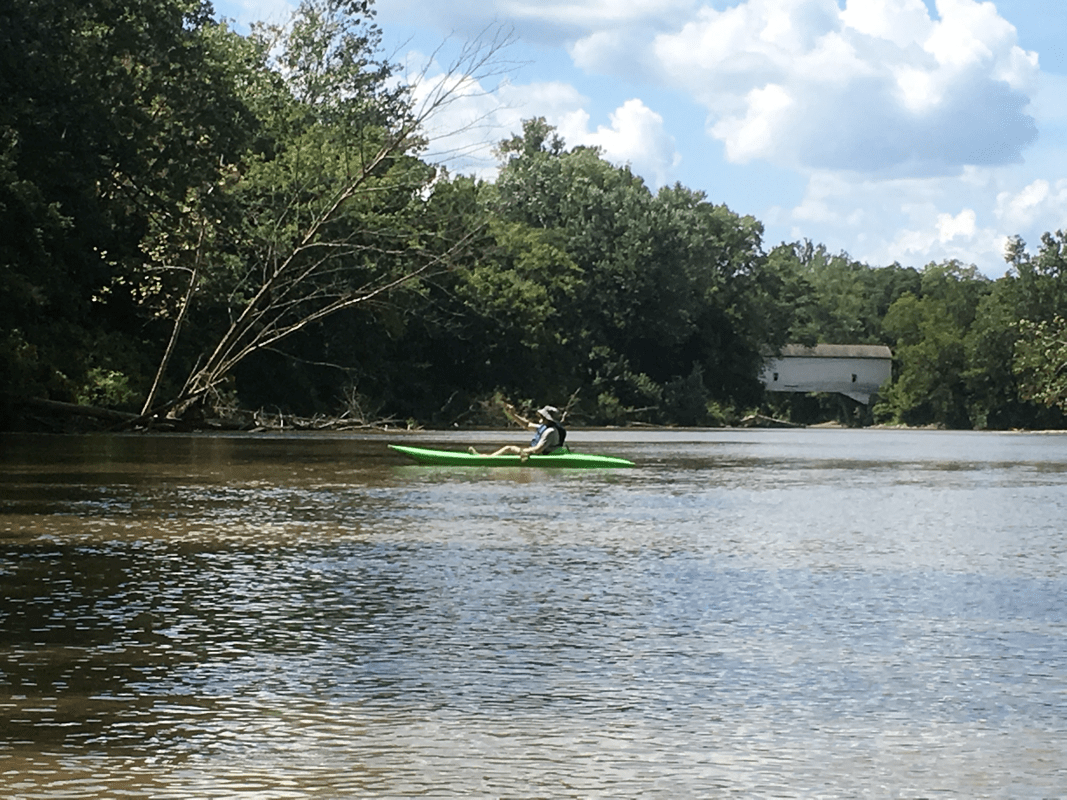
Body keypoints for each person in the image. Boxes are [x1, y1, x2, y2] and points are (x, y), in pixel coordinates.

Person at [470, 403, 566, 460]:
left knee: (508, 448)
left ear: (547, 418)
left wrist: (521, 451)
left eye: (542, 416)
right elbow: (527, 425)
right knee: (512, 450)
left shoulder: (550, 431)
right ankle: (486, 456)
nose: (540, 416)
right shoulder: (545, 426)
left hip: (546, 455)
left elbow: (537, 450)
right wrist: (513, 414)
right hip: (543, 452)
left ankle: (487, 458)